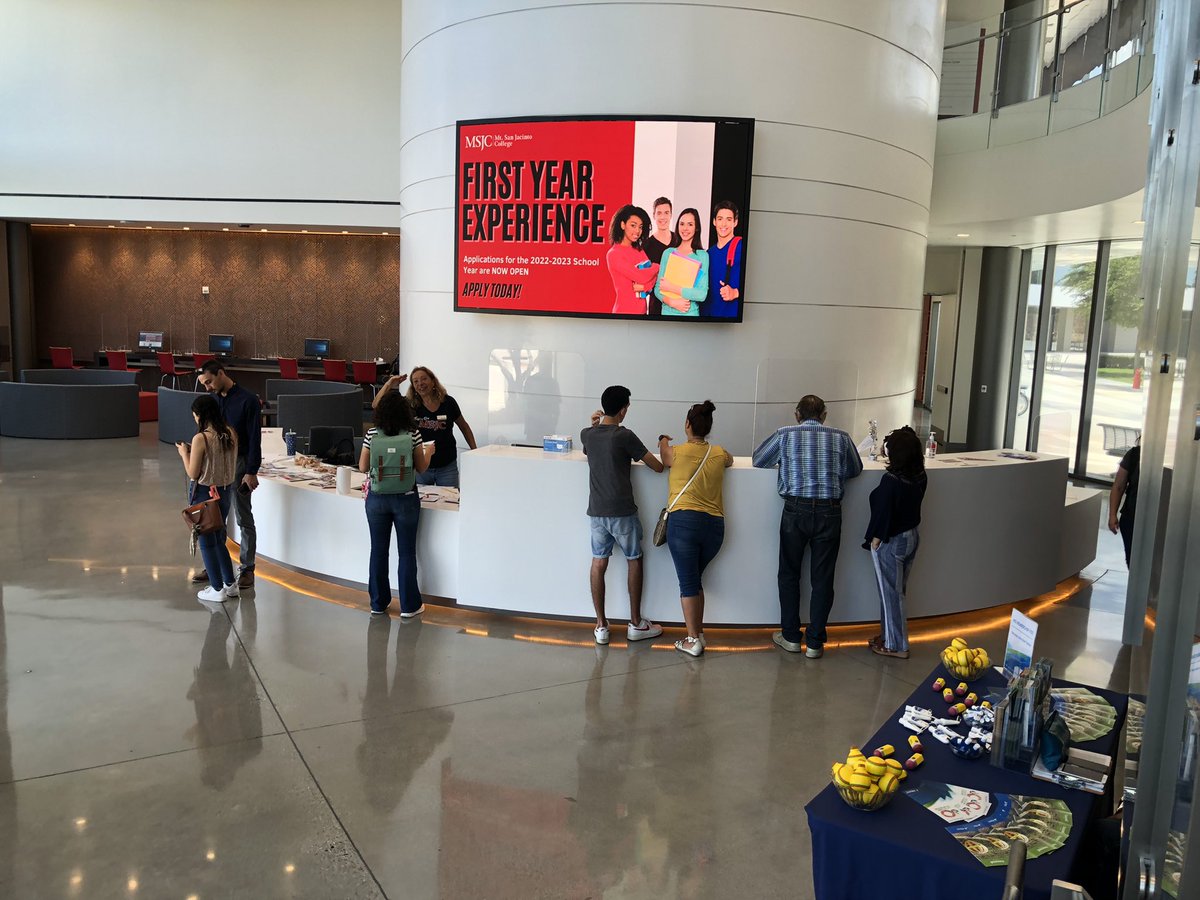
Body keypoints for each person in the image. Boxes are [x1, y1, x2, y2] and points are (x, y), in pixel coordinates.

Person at [752, 394, 863, 658]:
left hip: (795, 510)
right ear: (824, 415)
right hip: (830, 511)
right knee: (823, 579)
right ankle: (815, 642)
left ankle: (790, 637)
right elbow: (856, 468)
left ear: (797, 415)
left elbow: (759, 460)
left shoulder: (785, 434)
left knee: (789, 574)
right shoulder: (841, 437)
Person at [580, 385, 665, 645]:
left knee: (598, 563)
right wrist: (662, 443)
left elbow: (589, 447)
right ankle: (636, 623)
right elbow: (658, 467)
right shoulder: (624, 436)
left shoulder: (587, 434)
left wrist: (594, 425)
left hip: (596, 511)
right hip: (622, 511)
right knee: (634, 560)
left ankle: (601, 626)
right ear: (623, 409)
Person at [658, 401, 734, 656]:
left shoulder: (676, 452)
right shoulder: (719, 452)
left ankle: (692, 641)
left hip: (684, 525)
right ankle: (698, 632)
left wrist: (663, 439)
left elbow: (664, 453)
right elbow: (730, 460)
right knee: (694, 580)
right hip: (715, 528)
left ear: (687, 424)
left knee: (688, 583)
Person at [358, 392, 435, 616]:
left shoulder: (372, 434)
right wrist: (428, 452)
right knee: (407, 553)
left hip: (377, 500)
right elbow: (421, 468)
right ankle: (409, 606)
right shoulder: (413, 435)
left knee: (378, 552)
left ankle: (378, 603)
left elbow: (363, 466)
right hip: (406, 498)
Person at [195, 359, 262, 590]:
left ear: (221, 373)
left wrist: (251, 471)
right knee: (216, 517)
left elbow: (255, 438)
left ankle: (247, 567)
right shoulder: (212, 401)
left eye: (209, 382)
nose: (208, 387)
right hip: (216, 465)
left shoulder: (248, 400)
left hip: (240, 464)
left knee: (243, 517)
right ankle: (217, 565)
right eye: (204, 384)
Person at [863, 426, 927, 659]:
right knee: (897, 592)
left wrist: (876, 541)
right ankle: (889, 636)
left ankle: (897, 645)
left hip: (892, 542)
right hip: (912, 537)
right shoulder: (920, 475)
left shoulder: (891, 481)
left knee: (890, 594)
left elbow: (883, 514)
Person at [177, 394, 240, 602]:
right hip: (225, 491)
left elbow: (193, 473)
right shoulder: (231, 433)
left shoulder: (201, 438)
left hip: (204, 493)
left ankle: (216, 587)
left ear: (200, 415)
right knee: (219, 539)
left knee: (206, 541)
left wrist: (184, 453)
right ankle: (230, 584)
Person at [374, 366, 477, 488]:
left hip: (446, 466)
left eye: (424, 379)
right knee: (421, 503)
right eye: (416, 381)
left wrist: (475, 452)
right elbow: (377, 405)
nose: (420, 384)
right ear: (413, 387)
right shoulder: (409, 405)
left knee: (451, 503)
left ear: (433, 381)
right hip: (420, 466)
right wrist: (390, 383)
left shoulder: (448, 402)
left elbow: (464, 427)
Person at [653, 207, 709, 317]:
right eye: (682, 224)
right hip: (667, 313)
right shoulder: (668, 253)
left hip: (690, 315)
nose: (685, 228)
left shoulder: (702, 256)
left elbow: (702, 294)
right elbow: (658, 288)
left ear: (696, 228)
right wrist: (672, 302)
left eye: (690, 224)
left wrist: (672, 288)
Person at [605, 205, 659, 315]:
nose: (637, 231)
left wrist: (646, 286)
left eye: (640, 227)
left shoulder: (638, 250)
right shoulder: (614, 254)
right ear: (623, 225)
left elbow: (655, 277)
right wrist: (657, 266)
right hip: (623, 314)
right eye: (633, 225)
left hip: (643, 313)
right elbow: (642, 276)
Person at [642, 196, 680, 317]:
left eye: (666, 213)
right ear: (654, 216)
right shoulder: (646, 245)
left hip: (679, 302)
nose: (663, 217)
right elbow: (643, 277)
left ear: (671, 215)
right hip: (656, 305)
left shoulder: (679, 241)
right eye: (659, 213)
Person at [706, 200, 744, 318]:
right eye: (720, 219)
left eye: (728, 219)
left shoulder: (741, 246)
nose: (723, 224)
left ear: (735, 222)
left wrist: (736, 293)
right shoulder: (708, 253)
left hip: (730, 318)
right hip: (708, 318)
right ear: (714, 222)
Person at [1108, 437, 1140, 566]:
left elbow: (1119, 486)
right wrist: (1112, 515)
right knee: (1132, 560)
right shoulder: (1134, 454)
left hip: (1136, 516)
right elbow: (1118, 486)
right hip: (1131, 516)